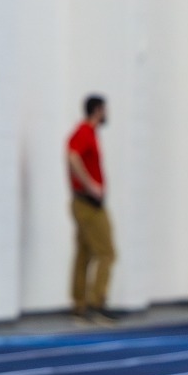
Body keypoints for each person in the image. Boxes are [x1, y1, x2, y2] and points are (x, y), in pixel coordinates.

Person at [66, 94, 115, 322]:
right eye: (105, 109)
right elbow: (73, 156)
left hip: (85, 202)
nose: (107, 114)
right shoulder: (84, 131)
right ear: (97, 110)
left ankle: (80, 305)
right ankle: (96, 303)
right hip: (87, 203)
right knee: (107, 252)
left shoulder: (89, 133)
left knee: (84, 254)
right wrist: (90, 185)